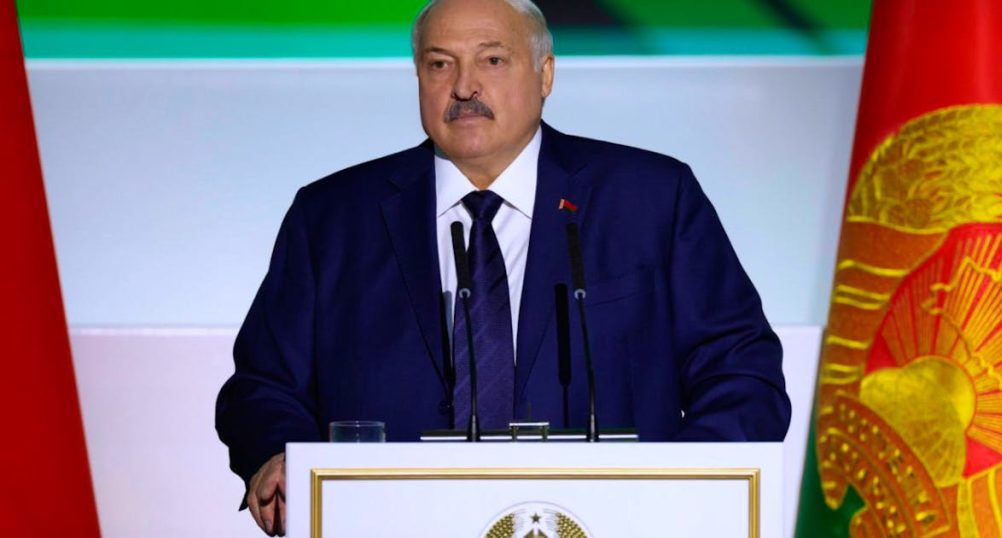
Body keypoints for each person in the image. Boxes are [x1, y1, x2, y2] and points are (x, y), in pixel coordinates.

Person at [216, 0, 791, 535]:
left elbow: (742, 372)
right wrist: (276, 453)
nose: (464, 87)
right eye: (440, 64)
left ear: (545, 74)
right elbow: (263, 386)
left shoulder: (651, 199)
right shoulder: (333, 216)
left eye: (492, 60)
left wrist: (683, 489)